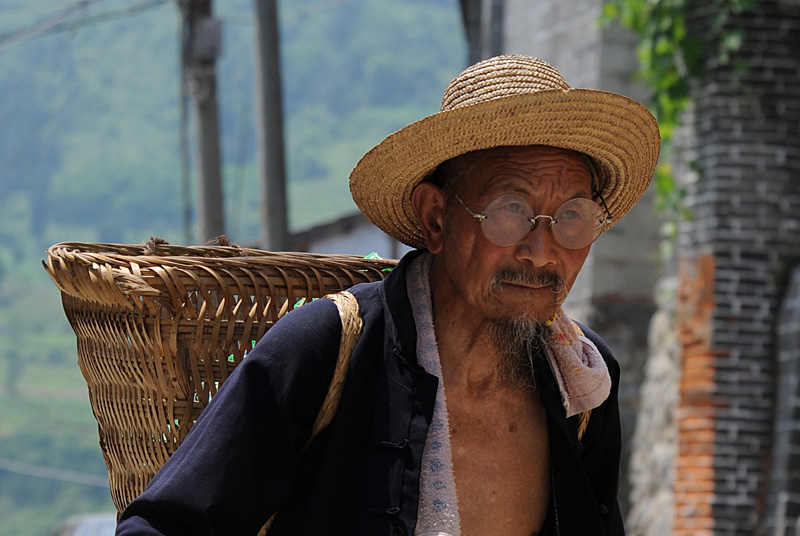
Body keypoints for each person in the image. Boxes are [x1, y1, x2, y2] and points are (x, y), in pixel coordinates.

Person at [115, 55, 660, 535]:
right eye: (510, 210)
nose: (542, 252)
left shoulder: (582, 385)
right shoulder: (330, 348)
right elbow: (164, 525)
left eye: (571, 217)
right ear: (436, 217)